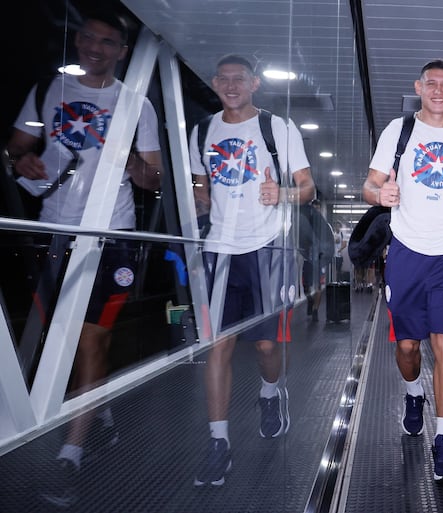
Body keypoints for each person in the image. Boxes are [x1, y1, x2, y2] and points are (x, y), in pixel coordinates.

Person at [5, 9, 163, 507]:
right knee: (63, 339)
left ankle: (69, 456)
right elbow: (17, 148)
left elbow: (153, 180)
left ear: (121, 52)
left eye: (108, 42)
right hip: (52, 230)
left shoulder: (136, 103)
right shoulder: (50, 90)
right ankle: (100, 414)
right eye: (89, 38)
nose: (95, 47)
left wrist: (130, 159)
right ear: (79, 43)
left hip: (111, 234)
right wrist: (22, 159)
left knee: (93, 338)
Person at [190, 53, 315, 487]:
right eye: (222, 79)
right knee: (218, 347)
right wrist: (199, 201)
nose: (230, 85)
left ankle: (269, 392)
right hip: (219, 250)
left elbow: (307, 189)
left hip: (267, 249)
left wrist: (279, 192)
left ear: (254, 84)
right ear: (214, 82)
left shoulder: (277, 128)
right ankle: (218, 443)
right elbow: (199, 185)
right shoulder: (202, 130)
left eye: (238, 79)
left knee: (265, 348)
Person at [362, 59, 443, 483]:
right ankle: (414, 393)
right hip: (406, 252)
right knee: (409, 348)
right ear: (418, 87)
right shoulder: (399, 131)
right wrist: (382, 194)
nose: (438, 90)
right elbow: (369, 184)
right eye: (431, 83)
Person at [302, 199, 326, 322]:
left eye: (318, 209)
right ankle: (310, 300)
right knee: (305, 286)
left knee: (318, 286)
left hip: (319, 260)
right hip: (308, 260)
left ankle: (316, 310)